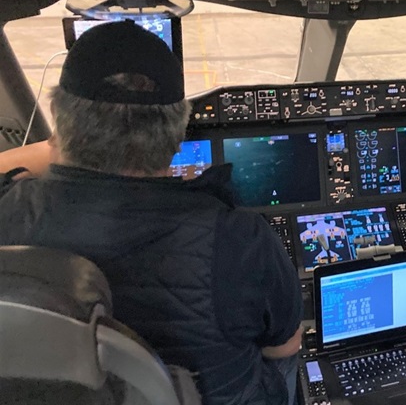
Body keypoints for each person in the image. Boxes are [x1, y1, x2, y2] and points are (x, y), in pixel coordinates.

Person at [0, 21, 303, 405]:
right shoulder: (240, 237)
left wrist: (68, 144)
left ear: (59, 118)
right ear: (177, 134)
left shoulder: (8, 209)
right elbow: (286, 345)